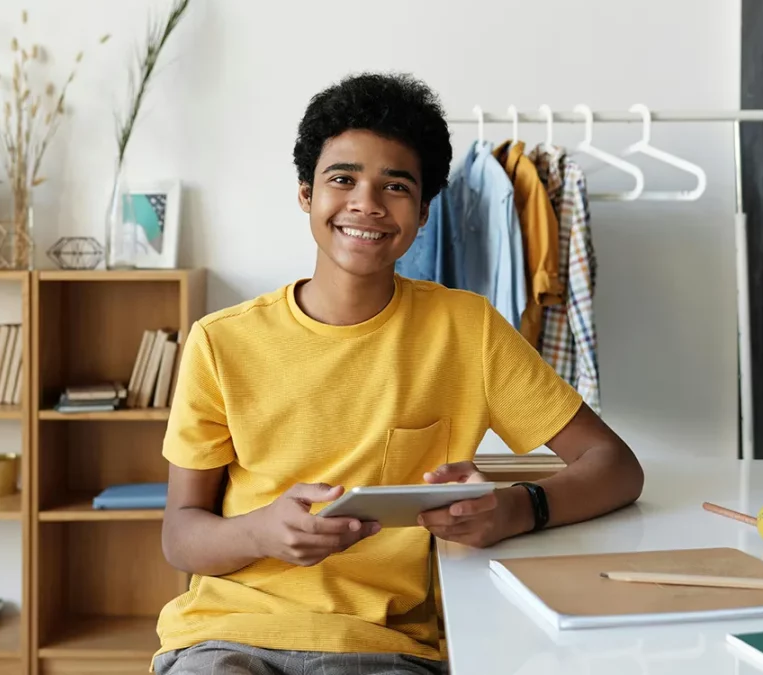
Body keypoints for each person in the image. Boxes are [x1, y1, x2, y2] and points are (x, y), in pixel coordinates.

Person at [152, 72, 644, 675]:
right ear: (306, 193)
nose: (367, 203)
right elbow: (181, 533)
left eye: (396, 186)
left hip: (385, 650)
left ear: (424, 211)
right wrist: (260, 533)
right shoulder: (220, 341)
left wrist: (514, 508)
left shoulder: (468, 329)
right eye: (342, 179)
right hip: (225, 638)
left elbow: (615, 466)